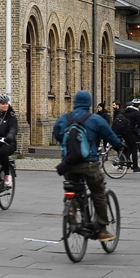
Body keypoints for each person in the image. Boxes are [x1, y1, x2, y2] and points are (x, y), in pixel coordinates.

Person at [53, 90, 123, 243]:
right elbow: (109, 135)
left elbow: (57, 134)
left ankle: (72, 209)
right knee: (98, 192)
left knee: (73, 189)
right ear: (89, 103)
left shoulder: (65, 118)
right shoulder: (95, 119)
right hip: (89, 163)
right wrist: (119, 146)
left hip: (69, 164)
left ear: (75, 103)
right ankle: (103, 229)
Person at [112, 98, 140, 172]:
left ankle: (122, 162)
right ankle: (135, 167)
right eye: (139, 105)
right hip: (127, 132)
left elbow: (131, 124)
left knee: (129, 145)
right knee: (134, 147)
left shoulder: (126, 111)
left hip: (121, 131)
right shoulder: (136, 113)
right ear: (138, 106)